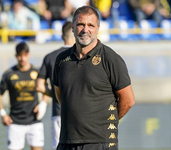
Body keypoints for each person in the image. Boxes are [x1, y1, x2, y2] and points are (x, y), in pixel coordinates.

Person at [52, 5, 135, 150]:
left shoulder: (110, 58)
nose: (85, 30)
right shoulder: (61, 60)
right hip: (66, 141)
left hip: (100, 142)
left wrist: (104, 123)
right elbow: (61, 96)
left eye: (90, 25)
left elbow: (128, 100)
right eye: (80, 24)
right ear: (72, 27)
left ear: (97, 28)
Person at [0, 42, 48, 150]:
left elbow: (45, 90)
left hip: (34, 121)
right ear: (16, 56)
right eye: (20, 55)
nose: (22, 58)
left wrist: (43, 104)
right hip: (15, 122)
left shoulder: (37, 71)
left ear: (28, 55)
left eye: (25, 55)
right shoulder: (9, 74)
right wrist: (3, 114)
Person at [36, 21, 75, 149]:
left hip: (58, 112)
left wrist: (56, 94)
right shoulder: (81, 56)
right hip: (79, 113)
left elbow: (39, 86)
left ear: (62, 36)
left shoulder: (50, 57)